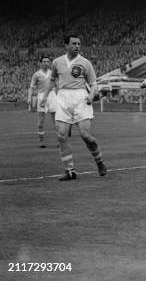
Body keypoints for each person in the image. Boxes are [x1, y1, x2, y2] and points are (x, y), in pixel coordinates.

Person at [41, 35, 107, 181]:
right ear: (66, 45)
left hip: (81, 98)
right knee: (61, 135)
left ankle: (99, 161)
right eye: (74, 43)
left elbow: (94, 84)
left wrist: (91, 96)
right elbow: (52, 80)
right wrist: (45, 96)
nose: (77, 46)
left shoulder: (85, 63)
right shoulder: (57, 62)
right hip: (63, 98)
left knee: (85, 136)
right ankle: (70, 171)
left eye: (79, 43)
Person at [28, 56, 57, 148]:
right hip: (41, 97)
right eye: (44, 61)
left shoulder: (53, 73)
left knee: (56, 121)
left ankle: (59, 142)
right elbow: (31, 87)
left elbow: (58, 85)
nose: (46, 63)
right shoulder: (36, 74)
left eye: (47, 61)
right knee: (40, 121)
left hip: (52, 96)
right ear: (40, 63)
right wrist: (29, 98)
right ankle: (42, 142)